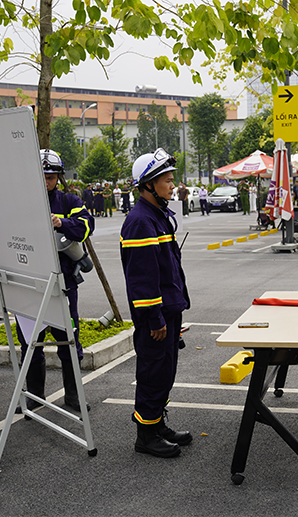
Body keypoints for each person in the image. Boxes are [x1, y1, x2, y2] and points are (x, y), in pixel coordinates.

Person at [121, 147, 192, 458]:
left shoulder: (157, 215)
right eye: (166, 179)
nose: (172, 184)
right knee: (152, 372)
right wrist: (155, 319)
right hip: (156, 315)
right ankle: (146, 436)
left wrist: (174, 312)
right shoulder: (140, 222)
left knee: (165, 371)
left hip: (169, 310)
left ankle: (157, 423)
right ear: (148, 183)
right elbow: (142, 279)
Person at [15, 149, 95, 414]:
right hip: (30, 284)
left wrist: (61, 221)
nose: (47, 180)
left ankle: (73, 395)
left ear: (58, 177)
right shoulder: (23, 203)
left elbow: (86, 227)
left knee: (69, 340)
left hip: (63, 286)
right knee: (30, 342)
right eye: (43, 175)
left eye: (51, 176)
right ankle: (35, 396)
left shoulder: (69, 200)